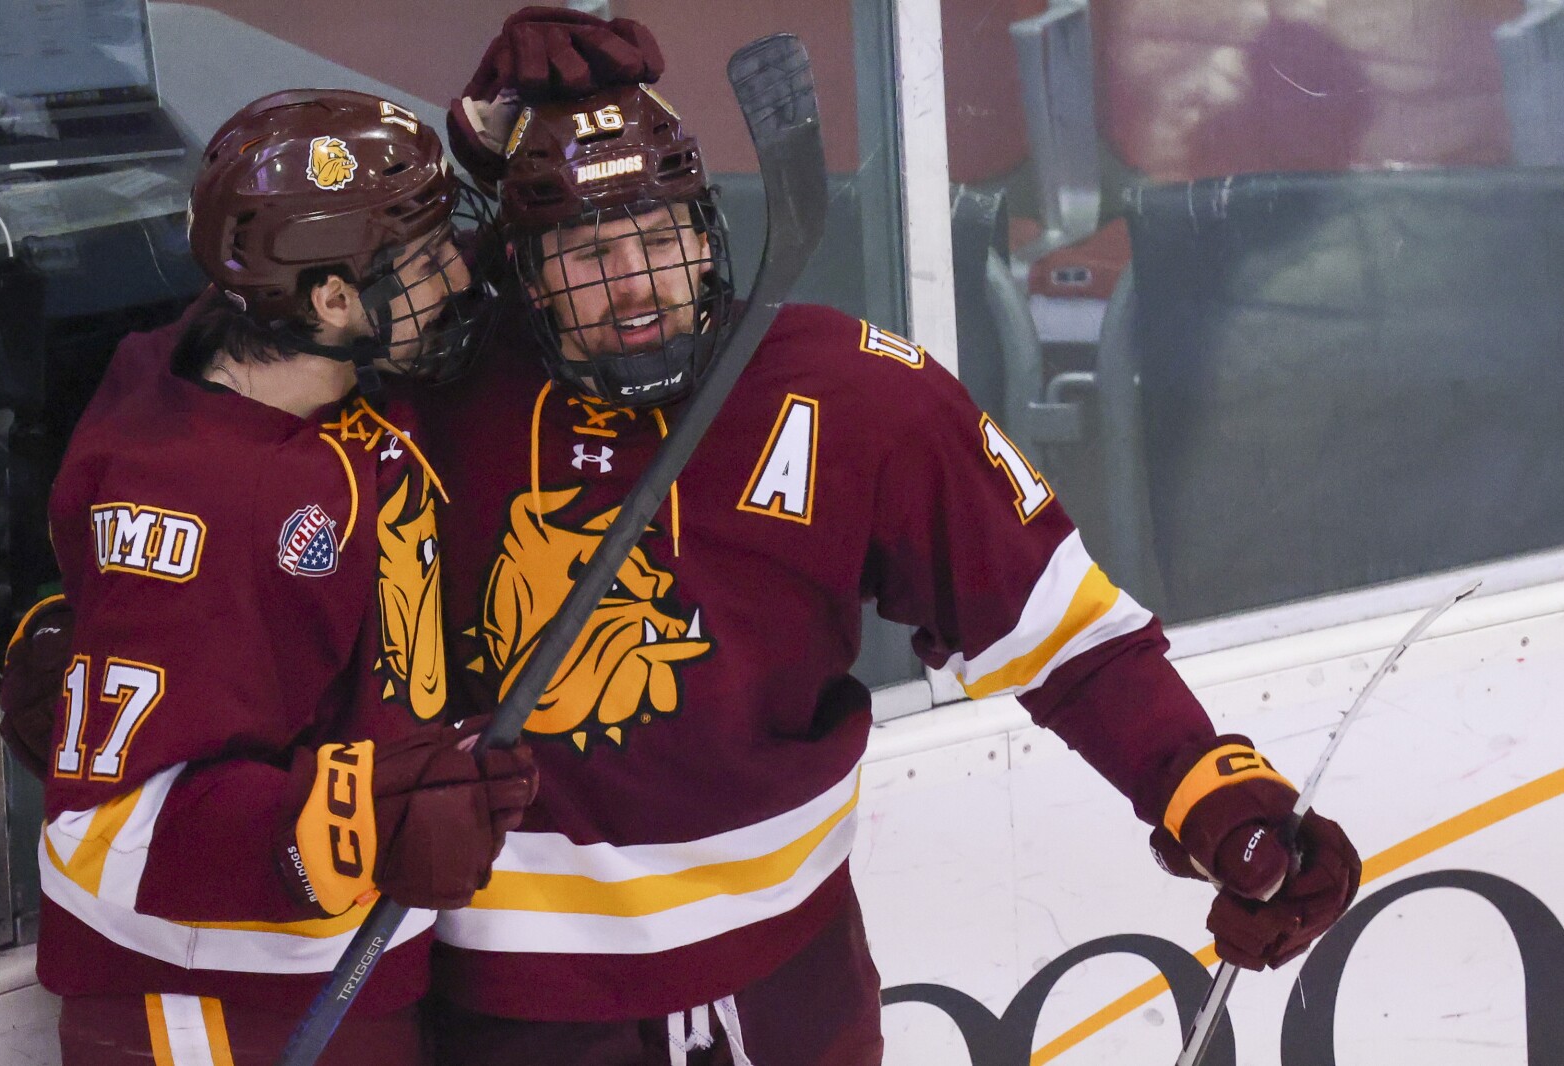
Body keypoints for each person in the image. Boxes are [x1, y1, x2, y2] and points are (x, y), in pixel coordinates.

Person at [411, 20, 1364, 1064]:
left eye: (659, 237)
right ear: (524, 273)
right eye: (590, 254)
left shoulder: (850, 393)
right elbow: (282, 371)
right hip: (512, 1012)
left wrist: (1209, 789)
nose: (635, 283)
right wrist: (459, 177)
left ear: (709, 232)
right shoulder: (440, 396)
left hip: (788, 984)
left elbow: (1066, 636)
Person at [5, 88, 538, 1066]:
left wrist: (507, 159)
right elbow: (101, 833)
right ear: (331, 302)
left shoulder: (271, 356)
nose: (457, 273)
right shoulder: (213, 501)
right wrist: (347, 822)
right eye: (428, 260)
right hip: (216, 1011)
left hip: (345, 971)